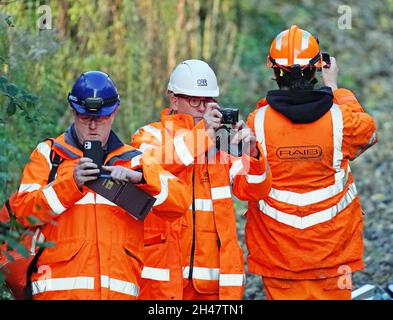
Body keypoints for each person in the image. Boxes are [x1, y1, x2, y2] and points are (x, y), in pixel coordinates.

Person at [11, 71, 191, 300]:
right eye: (86, 118)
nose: (93, 126)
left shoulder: (133, 161)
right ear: (73, 112)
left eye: (102, 118)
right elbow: (22, 213)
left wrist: (142, 178)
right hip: (58, 293)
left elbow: (180, 203)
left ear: (114, 112)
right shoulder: (50, 155)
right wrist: (71, 183)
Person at [245, 25, 378, 300]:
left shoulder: (256, 123)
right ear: (318, 68)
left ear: (274, 70)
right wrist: (335, 88)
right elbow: (369, 134)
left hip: (278, 257)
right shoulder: (341, 119)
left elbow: (245, 180)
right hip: (334, 254)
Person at [132, 59, 272, 300]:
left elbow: (254, 191)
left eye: (208, 101)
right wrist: (203, 135)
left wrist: (253, 152)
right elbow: (152, 166)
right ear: (173, 98)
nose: (202, 108)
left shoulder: (223, 144)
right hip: (163, 281)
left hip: (213, 283)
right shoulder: (150, 135)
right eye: (195, 100)